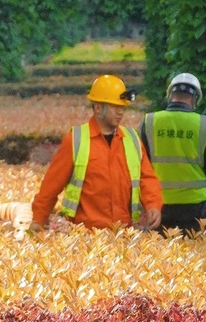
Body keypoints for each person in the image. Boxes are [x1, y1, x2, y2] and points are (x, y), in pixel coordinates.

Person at [30, 73, 161, 233]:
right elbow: (52, 184)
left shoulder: (132, 140)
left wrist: (153, 205)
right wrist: (38, 219)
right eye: (115, 107)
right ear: (98, 108)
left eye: (122, 107)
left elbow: (147, 178)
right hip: (85, 235)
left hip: (124, 234)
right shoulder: (76, 140)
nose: (120, 112)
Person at [139, 72, 206, 233]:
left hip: (158, 203)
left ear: (170, 95)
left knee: (160, 247)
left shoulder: (150, 121)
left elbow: (141, 164)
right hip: (195, 203)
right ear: (194, 98)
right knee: (194, 246)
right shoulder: (203, 124)